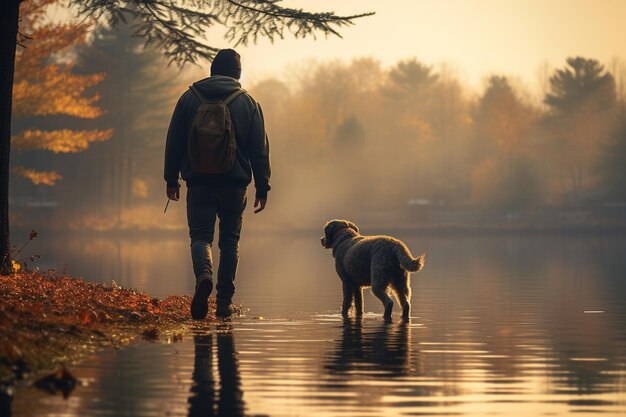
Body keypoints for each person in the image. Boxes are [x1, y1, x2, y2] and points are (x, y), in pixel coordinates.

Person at [164, 49, 271, 319]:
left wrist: (171, 179)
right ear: (238, 74)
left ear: (212, 70)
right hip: (234, 186)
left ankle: (204, 275)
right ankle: (223, 303)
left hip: (198, 182)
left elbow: (174, 141)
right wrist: (262, 187)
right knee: (230, 242)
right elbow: (259, 150)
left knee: (200, 237)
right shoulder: (247, 103)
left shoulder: (189, 98)